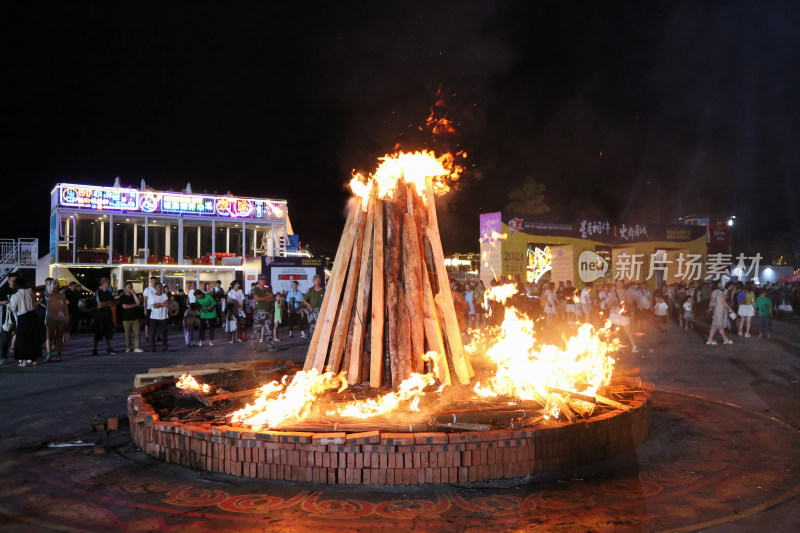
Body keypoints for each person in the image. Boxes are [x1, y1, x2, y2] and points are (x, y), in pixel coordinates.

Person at [8, 276, 40, 366]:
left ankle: (24, 361)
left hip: (23, 317)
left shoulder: (15, 296)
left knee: (22, 340)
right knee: (32, 338)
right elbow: (34, 302)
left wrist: (9, 306)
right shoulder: (30, 291)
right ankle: (34, 360)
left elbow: (14, 309)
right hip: (32, 316)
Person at [44, 278, 69, 362]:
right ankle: (49, 355)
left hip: (60, 318)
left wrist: (67, 318)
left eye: (56, 285)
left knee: (59, 337)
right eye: (54, 284)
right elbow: (49, 291)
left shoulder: (62, 295)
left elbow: (65, 308)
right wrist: (52, 284)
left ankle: (59, 354)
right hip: (50, 317)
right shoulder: (48, 294)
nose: (55, 286)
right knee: (49, 337)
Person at [93, 278, 118, 355]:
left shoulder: (109, 293)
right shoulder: (97, 293)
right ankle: (95, 349)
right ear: (103, 284)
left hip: (108, 315)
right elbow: (99, 305)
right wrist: (107, 303)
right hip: (99, 316)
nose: (109, 285)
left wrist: (105, 303)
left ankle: (109, 348)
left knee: (108, 332)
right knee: (98, 333)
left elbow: (113, 303)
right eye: (108, 283)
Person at [707, 280, 735, 345]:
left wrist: (710, 308)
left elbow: (711, 302)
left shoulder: (713, 292)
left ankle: (711, 339)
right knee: (718, 325)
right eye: (720, 283)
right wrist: (730, 308)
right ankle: (724, 339)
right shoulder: (720, 292)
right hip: (721, 310)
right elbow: (723, 302)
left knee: (716, 325)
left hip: (716, 310)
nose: (721, 284)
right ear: (718, 284)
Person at [0, 271, 19, 364]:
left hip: (19, 315)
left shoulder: (19, 290)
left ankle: (20, 355)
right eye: (12, 280)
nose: (13, 282)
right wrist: (3, 302)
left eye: (15, 281)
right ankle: (3, 356)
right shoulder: (3, 290)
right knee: (5, 337)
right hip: (7, 317)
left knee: (20, 336)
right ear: (8, 280)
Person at [119, 282, 144, 353]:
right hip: (126, 318)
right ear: (125, 288)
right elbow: (125, 306)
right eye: (129, 287)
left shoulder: (134, 295)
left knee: (137, 333)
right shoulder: (122, 296)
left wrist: (133, 294)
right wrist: (134, 305)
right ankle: (128, 347)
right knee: (127, 334)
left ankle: (136, 347)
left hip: (135, 317)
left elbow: (138, 303)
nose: (131, 288)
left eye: (132, 287)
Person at [251, 275, 274, 348]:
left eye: (264, 279)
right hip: (259, 312)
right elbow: (258, 299)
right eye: (261, 279)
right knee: (256, 330)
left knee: (269, 330)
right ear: (258, 280)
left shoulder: (268, 288)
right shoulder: (255, 289)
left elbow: (271, 298)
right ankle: (254, 346)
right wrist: (266, 298)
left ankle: (270, 345)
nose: (263, 281)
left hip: (268, 311)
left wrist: (263, 298)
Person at [148, 282, 170, 352]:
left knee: (164, 333)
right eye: (158, 287)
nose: (159, 289)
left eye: (160, 287)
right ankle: (153, 347)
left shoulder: (164, 295)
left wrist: (159, 304)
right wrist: (162, 304)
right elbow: (154, 306)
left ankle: (164, 347)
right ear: (155, 288)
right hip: (154, 317)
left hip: (163, 317)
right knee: (153, 332)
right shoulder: (152, 296)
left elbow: (167, 303)